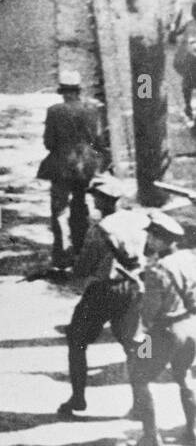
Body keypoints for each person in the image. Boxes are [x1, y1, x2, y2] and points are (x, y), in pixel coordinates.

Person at [56, 175, 149, 418]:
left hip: (104, 291)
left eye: (96, 198)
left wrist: (64, 272)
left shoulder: (101, 229)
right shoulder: (140, 221)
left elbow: (83, 269)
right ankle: (141, 403)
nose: (94, 202)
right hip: (133, 289)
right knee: (134, 346)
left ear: (101, 200)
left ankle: (78, 398)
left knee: (76, 341)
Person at [125, 211, 196, 446]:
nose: (149, 241)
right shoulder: (190, 259)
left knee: (138, 376)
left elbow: (148, 313)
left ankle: (150, 437)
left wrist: (138, 339)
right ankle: (193, 430)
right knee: (185, 376)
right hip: (190, 328)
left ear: (163, 240)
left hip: (160, 333)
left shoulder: (157, 270)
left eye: (153, 237)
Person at [37, 69, 106, 269]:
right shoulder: (92, 110)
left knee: (59, 209)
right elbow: (98, 141)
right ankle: (80, 249)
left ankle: (61, 253)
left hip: (60, 166)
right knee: (80, 204)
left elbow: (48, 142)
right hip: (85, 165)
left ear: (62, 91)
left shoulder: (54, 111)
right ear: (78, 90)